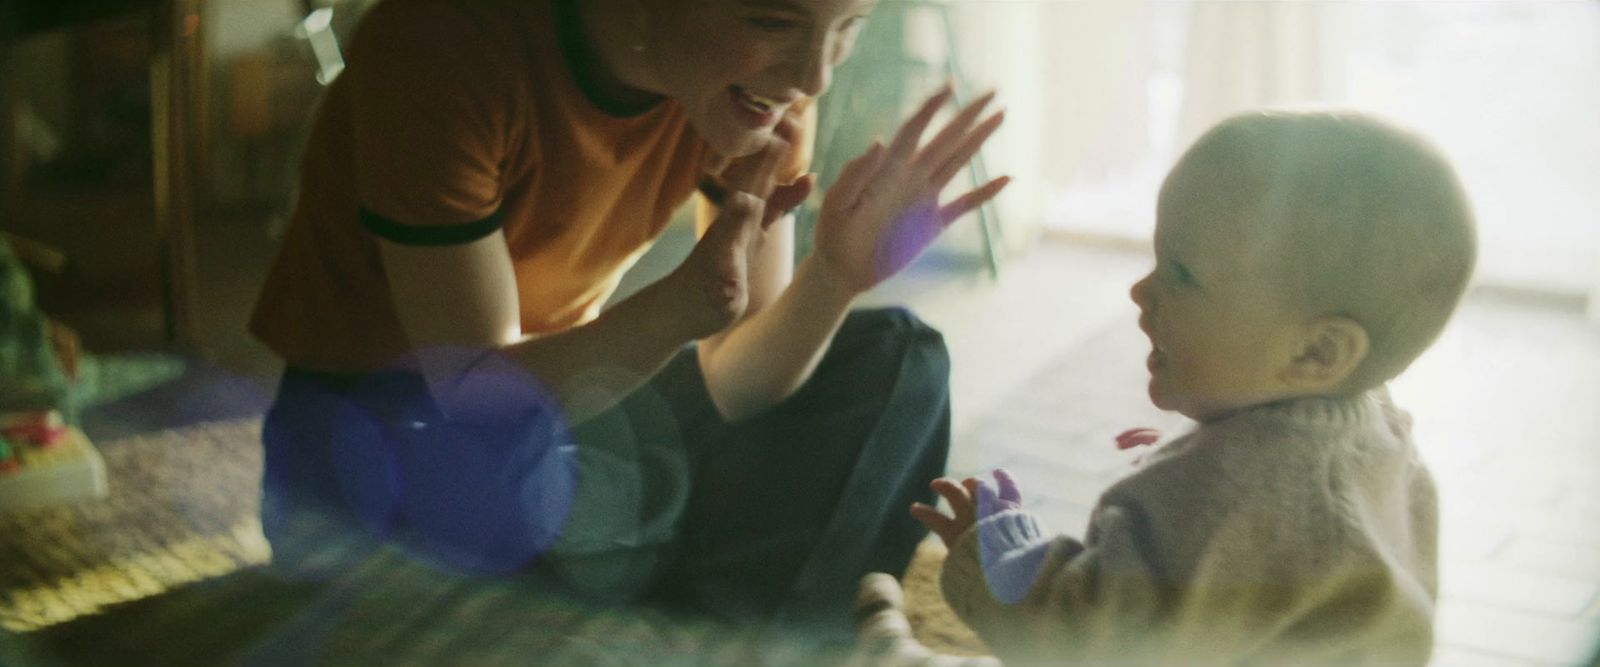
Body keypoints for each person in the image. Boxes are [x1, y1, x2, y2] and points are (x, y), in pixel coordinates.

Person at [248, 0, 1008, 642]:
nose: (815, 75)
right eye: (776, 20)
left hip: (576, 413)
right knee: (529, 471)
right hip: (382, 441)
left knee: (899, 361)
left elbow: (740, 383)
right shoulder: (444, 42)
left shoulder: (761, 93)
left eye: (847, 26)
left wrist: (835, 276)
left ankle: (666, 632)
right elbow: (472, 396)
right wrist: (679, 308)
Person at [907, 110, 1476, 666]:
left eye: (1181, 275)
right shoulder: (1381, 449)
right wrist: (1197, 465)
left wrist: (996, 551)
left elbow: (1080, 642)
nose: (1140, 290)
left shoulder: (1229, 497)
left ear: (1317, 352)